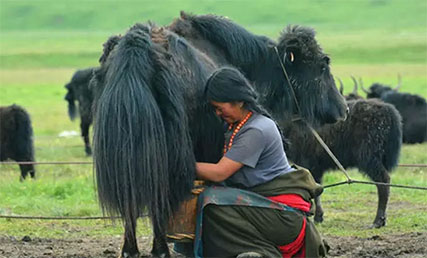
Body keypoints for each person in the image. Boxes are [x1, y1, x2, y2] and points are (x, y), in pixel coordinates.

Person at [193, 67, 328, 258]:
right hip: (267, 209)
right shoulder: (237, 127)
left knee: (212, 203)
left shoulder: (256, 130)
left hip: (283, 217)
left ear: (238, 100)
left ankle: (263, 254)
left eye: (219, 108)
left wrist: (182, 165)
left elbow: (219, 173)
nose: (217, 113)